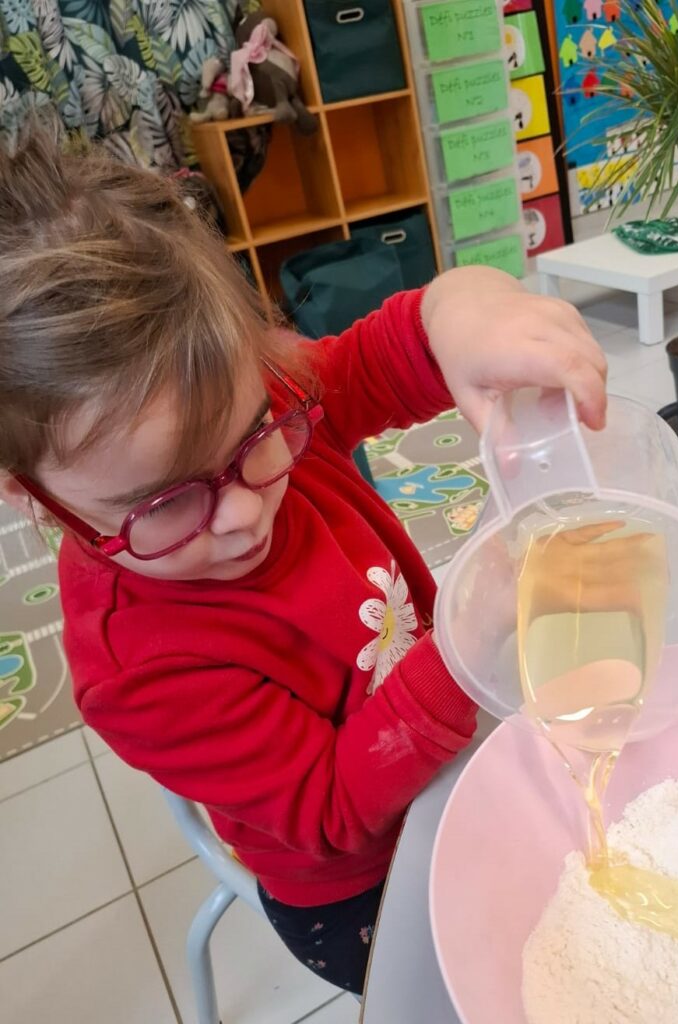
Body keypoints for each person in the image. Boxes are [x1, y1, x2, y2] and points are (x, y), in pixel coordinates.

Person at [0, 129, 607, 997]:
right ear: (28, 493)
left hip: (455, 757)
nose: (243, 512)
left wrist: (460, 308)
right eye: (164, 504)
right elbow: (330, 809)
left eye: (255, 436)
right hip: (358, 888)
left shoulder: (256, 396)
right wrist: (465, 636)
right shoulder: (136, 668)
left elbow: (380, 357)